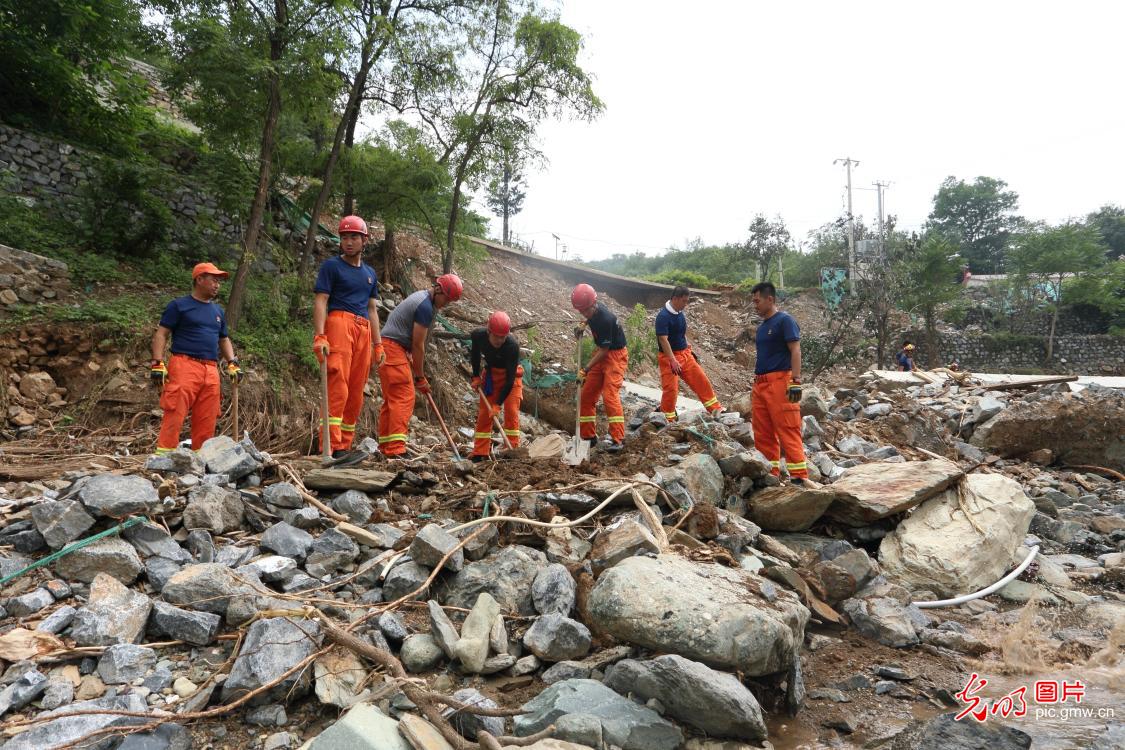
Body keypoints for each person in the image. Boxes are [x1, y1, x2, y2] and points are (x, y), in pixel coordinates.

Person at [150, 262, 242, 455]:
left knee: (207, 416)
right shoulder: (179, 306)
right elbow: (161, 334)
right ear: (199, 279)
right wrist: (158, 362)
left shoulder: (217, 312)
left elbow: (224, 339)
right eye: (213, 280)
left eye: (219, 281)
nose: (217, 284)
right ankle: (164, 458)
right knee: (175, 411)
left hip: (211, 369)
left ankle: (200, 459)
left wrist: (232, 362)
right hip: (184, 364)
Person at [312, 215, 384, 459]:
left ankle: (343, 445)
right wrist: (320, 335)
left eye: (354, 237)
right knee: (338, 385)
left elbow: (373, 309)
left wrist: (378, 344)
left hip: (363, 328)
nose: (349, 242)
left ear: (365, 240)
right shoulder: (332, 267)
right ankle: (328, 446)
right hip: (339, 323)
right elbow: (321, 301)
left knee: (355, 390)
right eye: (344, 237)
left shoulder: (370, 274)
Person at [377, 273, 463, 457]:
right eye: (446, 299)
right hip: (393, 348)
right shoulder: (424, 306)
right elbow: (418, 344)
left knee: (392, 399)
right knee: (404, 396)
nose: (446, 303)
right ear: (439, 289)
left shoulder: (422, 299)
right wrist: (420, 376)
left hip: (390, 347)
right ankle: (396, 449)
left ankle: (385, 446)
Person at [749, 281, 807, 483]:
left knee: (788, 428)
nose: (754, 305)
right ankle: (770, 474)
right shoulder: (763, 327)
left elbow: (796, 350)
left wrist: (796, 380)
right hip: (761, 383)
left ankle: (799, 477)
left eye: (757, 301)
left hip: (780, 382)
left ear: (770, 299)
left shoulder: (785, 321)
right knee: (762, 431)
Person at [571, 283, 628, 452]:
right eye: (581, 311)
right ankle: (588, 437)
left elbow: (605, 351)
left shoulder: (606, 319)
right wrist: (583, 324)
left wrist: (585, 369)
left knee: (610, 395)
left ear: (593, 304)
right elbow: (590, 317)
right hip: (601, 352)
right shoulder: (592, 310)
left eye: (586, 310)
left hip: (614, 355)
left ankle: (618, 439)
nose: (584, 313)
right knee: (586, 395)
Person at [655, 285, 722, 422]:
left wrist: (689, 350)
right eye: (684, 301)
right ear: (675, 299)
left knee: (702, 381)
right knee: (671, 390)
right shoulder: (663, 316)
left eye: (687, 301)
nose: (686, 304)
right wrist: (673, 360)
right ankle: (668, 419)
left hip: (684, 354)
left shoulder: (679, 314)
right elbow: (663, 339)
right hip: (669, 357)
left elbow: (681, 334)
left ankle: (716, 410)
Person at [468, 310, 523, 461]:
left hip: (511, 378)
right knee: (485, 413)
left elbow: (510, 379)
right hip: (491, 376)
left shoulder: (512, 346)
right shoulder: (478, 335)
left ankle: (511, 450)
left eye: (503, 337)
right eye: (496, 336)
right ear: (489, 331)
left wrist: (498, 404)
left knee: (511, 411)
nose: (499, 340)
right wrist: (476, 376)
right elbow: (475, 354)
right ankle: (480, 452)